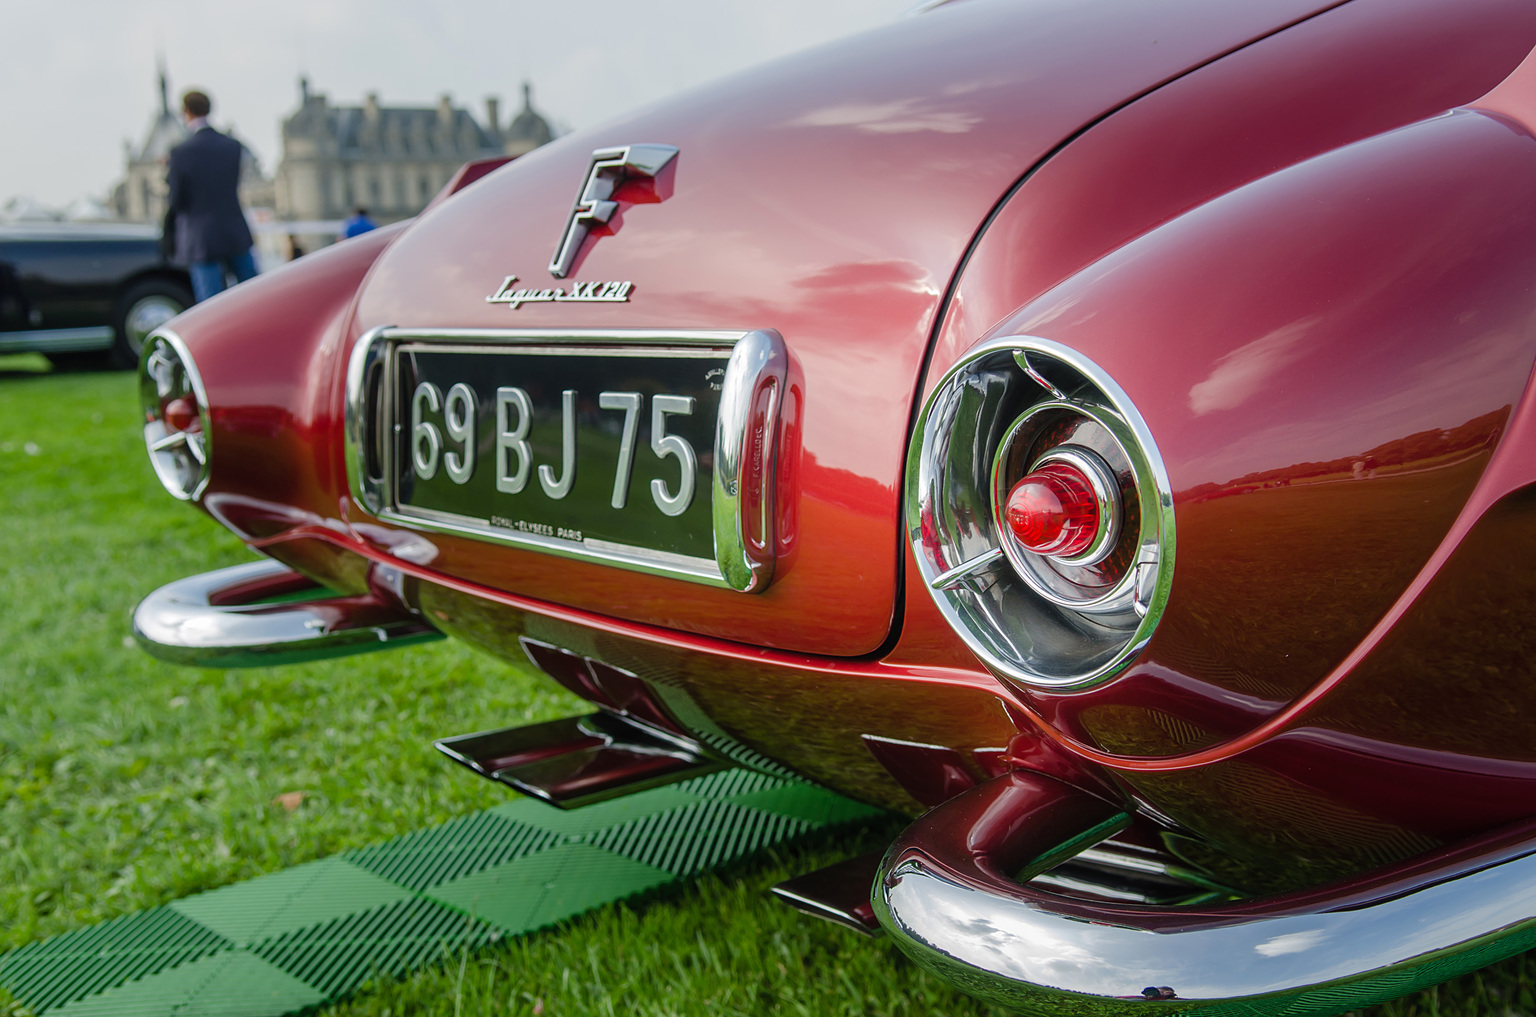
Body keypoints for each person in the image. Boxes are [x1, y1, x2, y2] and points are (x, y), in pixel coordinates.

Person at [162, 89, 258, 303]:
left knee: (211, 305)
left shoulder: (180, 152)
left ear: (186, 112)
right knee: (255, 296)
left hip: (201, 237)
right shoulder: (232, 146)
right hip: (235, 230)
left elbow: (177, 200)